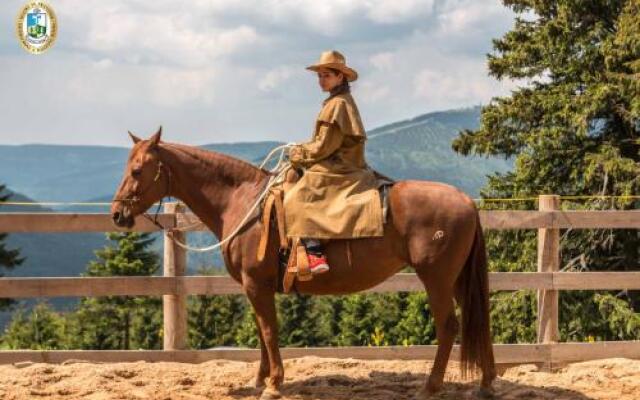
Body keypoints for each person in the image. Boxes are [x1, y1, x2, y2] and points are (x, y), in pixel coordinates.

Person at [285, 50, 384, 275]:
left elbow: (323, 147)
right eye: (319, 76)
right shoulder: (337, 101)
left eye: (327, 75)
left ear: (341, 77)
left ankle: (314, 250)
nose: (321, 80)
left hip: (340, 165)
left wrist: (298, 154)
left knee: (301, 191)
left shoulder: (337, 105)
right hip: (339, 160)